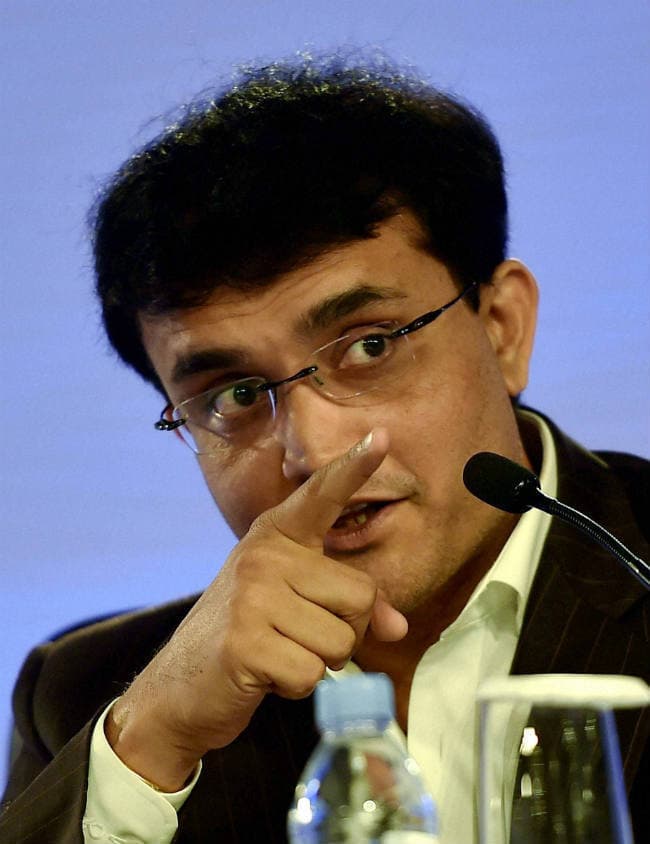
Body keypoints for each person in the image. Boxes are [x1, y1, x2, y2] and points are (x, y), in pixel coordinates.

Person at [1, 53, 648, 844]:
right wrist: (152, 743)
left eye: (370, 346)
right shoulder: (89, 702)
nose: (311, 450)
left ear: (502, 327)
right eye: (235, 396)